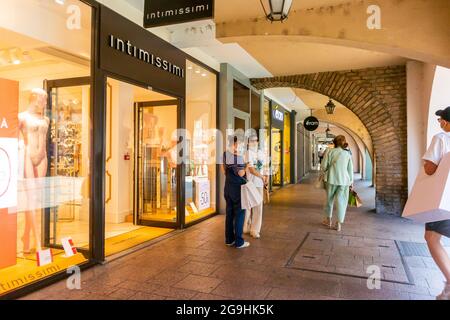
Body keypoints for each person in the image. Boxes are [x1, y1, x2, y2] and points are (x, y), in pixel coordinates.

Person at [422, 106, 450, 300]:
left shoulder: (441, 138)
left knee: (432, 237)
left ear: (447, 122)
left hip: (443, 199)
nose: (439, 123)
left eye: (440, 119)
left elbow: (430, 169)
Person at [19, 88, 49, 254]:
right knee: (31, 198)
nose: (45, 102)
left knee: (35, 199)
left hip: (42, 157)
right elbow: (15, 138)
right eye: (43, 99)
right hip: (28, 156)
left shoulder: (46, 118)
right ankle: (37, 241)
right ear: (35, 98)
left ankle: (25, 237)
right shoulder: (22, 117)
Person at [321, 135, 354, 232]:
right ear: (344, 142)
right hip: (344, 181)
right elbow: (350, 169)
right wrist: (351, 182)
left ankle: (328, 220)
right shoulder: (347, 153)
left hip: (331, 179)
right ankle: (339, 224)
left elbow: (323, 166)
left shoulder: (329, 151)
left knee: (329, 200)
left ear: (334, 142)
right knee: (342, 202)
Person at [222, 136, 250, 249]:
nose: (239, 146)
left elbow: (224, 170)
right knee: (240, 214)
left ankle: (229, 239)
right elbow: (241, 173)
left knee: (229, 214)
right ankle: (239, 242)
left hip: (228, 187)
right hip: (237, 189)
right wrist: (247, 166)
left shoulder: (224, 154)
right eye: (238, 144)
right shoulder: (237, 157)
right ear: (233, 144)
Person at [243, 134, 268, 239]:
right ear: (248, 142)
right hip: (250, 183)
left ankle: (255, 230)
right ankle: (245, 227)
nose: (255, 142)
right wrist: (262, 176)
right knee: (248, 207)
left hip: (259, 184)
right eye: (252, 141)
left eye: (256, 140)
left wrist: (266, 177)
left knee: (258, 207)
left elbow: (265, 166)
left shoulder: (261, 153)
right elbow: (252, 170)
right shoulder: (248, 153)